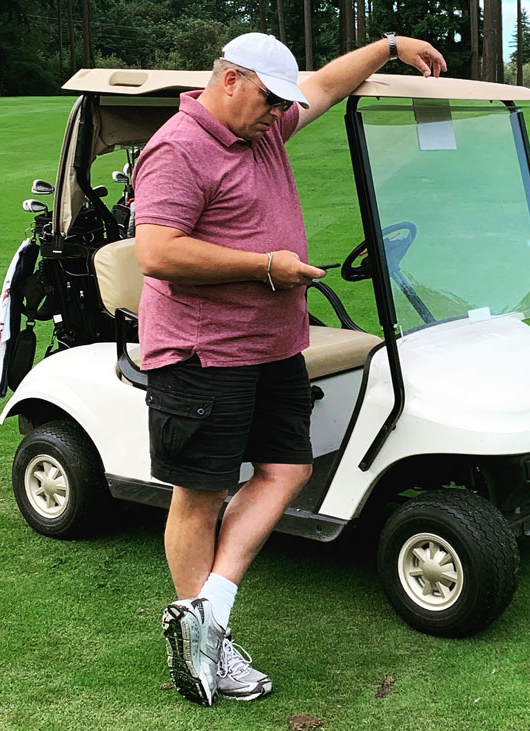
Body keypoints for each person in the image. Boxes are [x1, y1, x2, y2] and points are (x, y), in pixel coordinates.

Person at [132, 31, 447, 706]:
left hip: (273, 345)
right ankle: (202, 644)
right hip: (202, 351)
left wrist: (389, 46)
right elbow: (156, 252)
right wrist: (263, 266)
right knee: (203, 493)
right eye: (270, 101)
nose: (280, 113)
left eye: (283, 104)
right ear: (230, 80)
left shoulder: (262, 127)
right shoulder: (179, 148)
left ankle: (205, 620)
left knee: (289, 468)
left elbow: (328, 85)